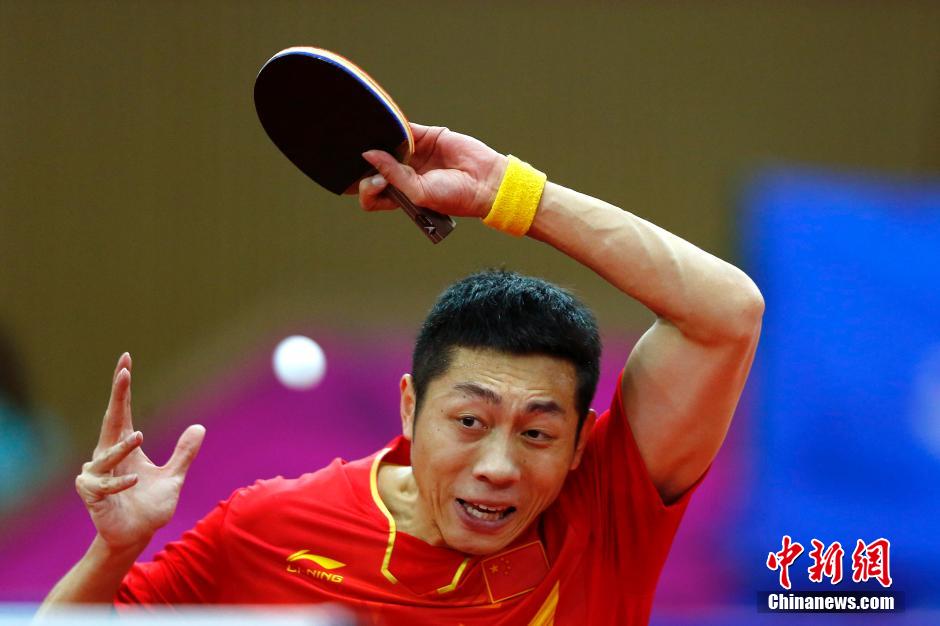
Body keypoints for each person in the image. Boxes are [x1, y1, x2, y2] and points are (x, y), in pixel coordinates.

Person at [39, 124, 764, 624]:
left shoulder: (605, 508)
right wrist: (115, 550)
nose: (499, 467)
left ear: (580, 444)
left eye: (538, 433)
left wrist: (507, 193)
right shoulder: (271, 527)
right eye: (470, 421)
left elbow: (728, 312)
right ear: (410, 407)